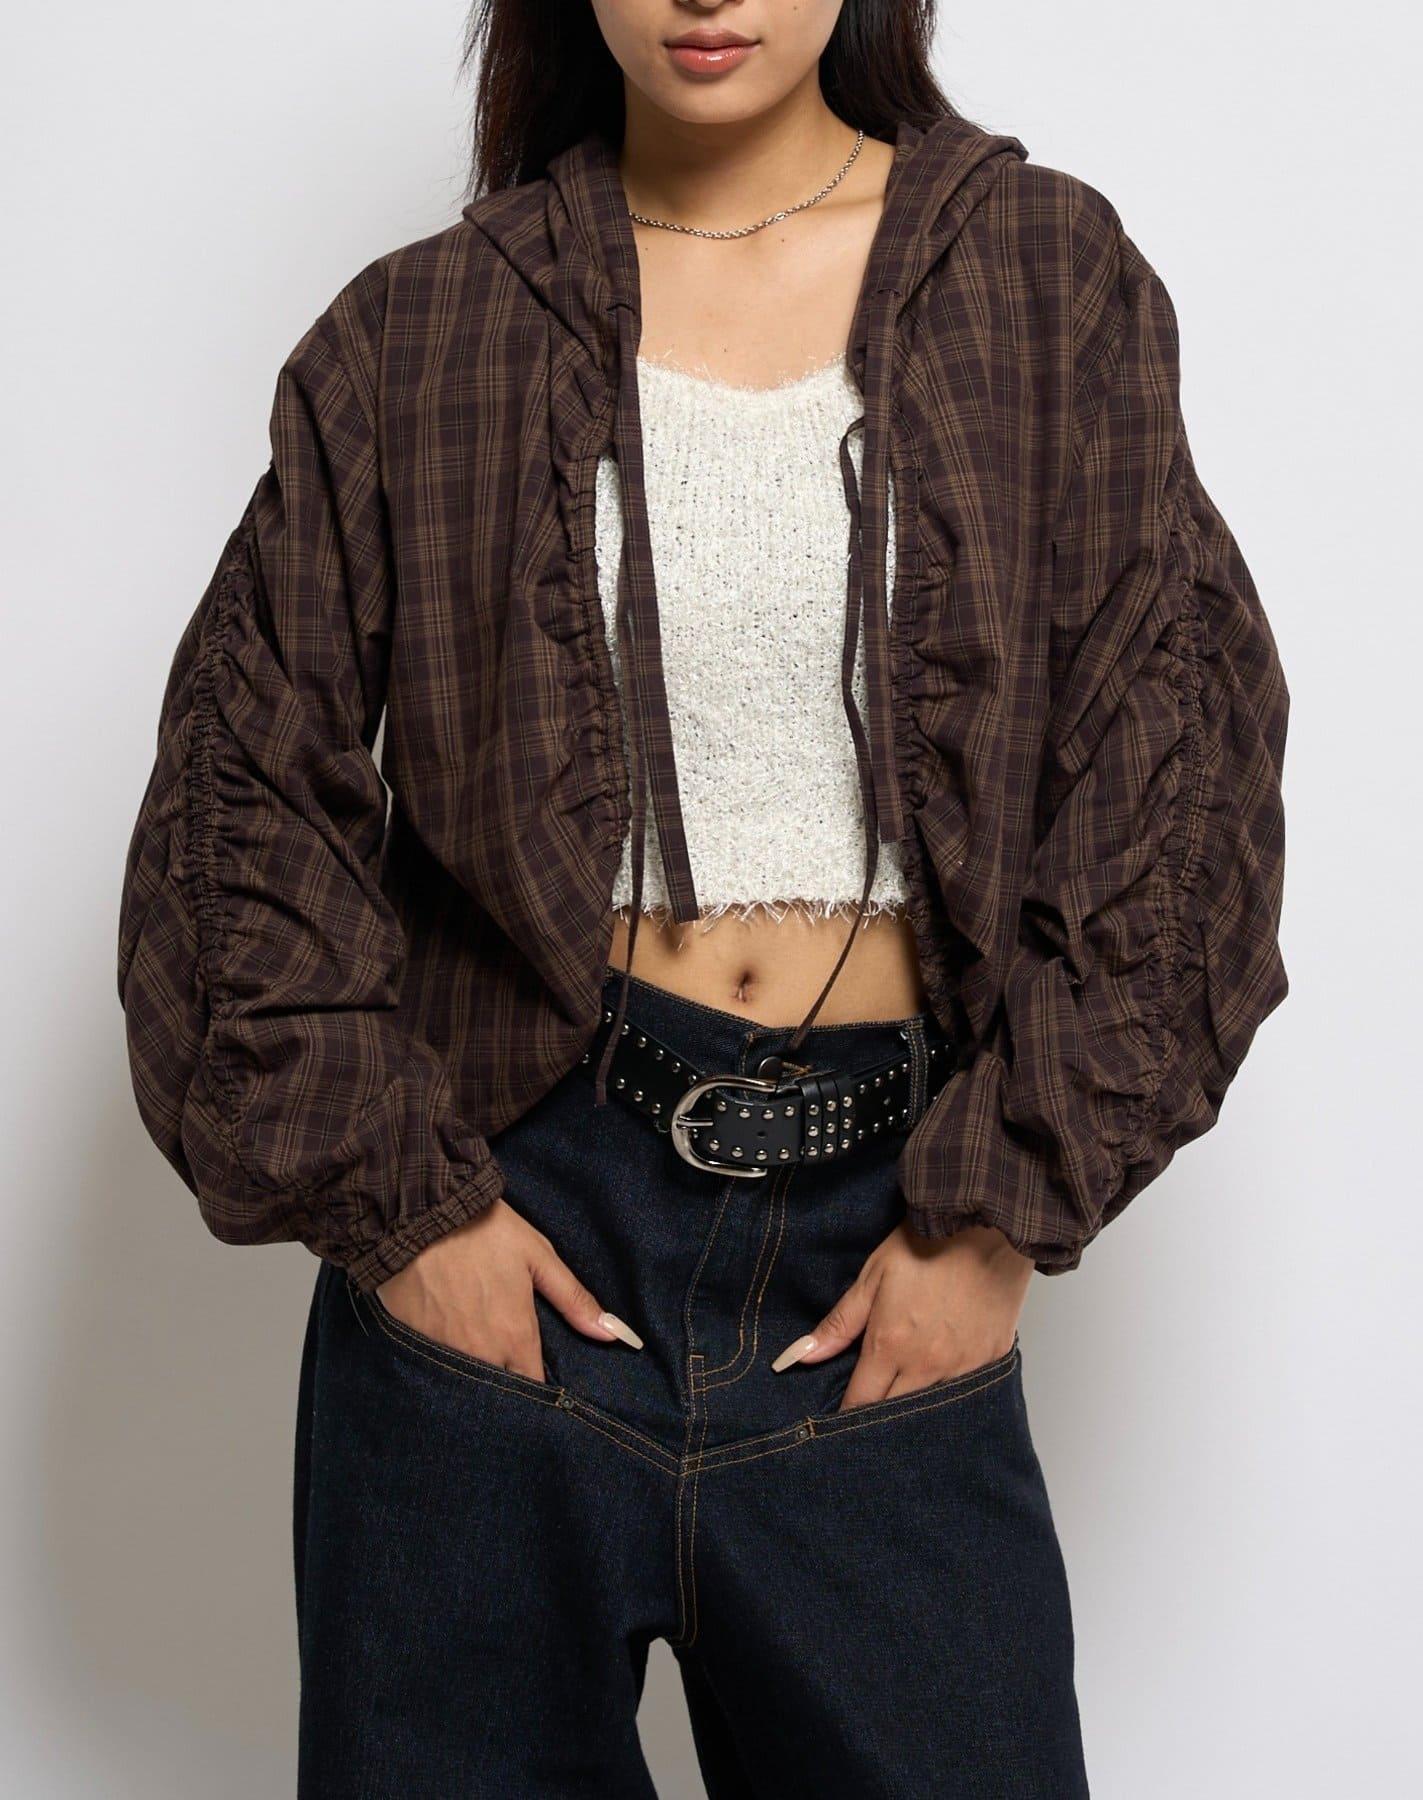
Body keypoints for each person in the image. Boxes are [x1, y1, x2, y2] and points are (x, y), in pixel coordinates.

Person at [117, 2, 1289, 1793]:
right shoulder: (426, 329)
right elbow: (237, 792)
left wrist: (993, 1219)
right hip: (517, 1221)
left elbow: (1180, 768)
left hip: (887, 1237)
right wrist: (410, 1220)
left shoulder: (1042, 282)